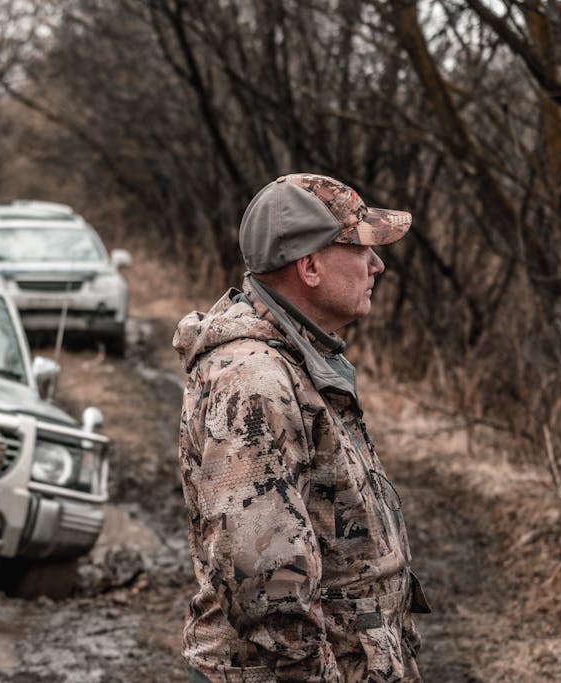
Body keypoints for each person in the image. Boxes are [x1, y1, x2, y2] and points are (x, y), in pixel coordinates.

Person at [173, 173, 430, 683]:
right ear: (309, 266)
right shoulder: (255, 383)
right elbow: (268, 590)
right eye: (359, 248)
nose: (377, 264)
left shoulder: (297, 363)